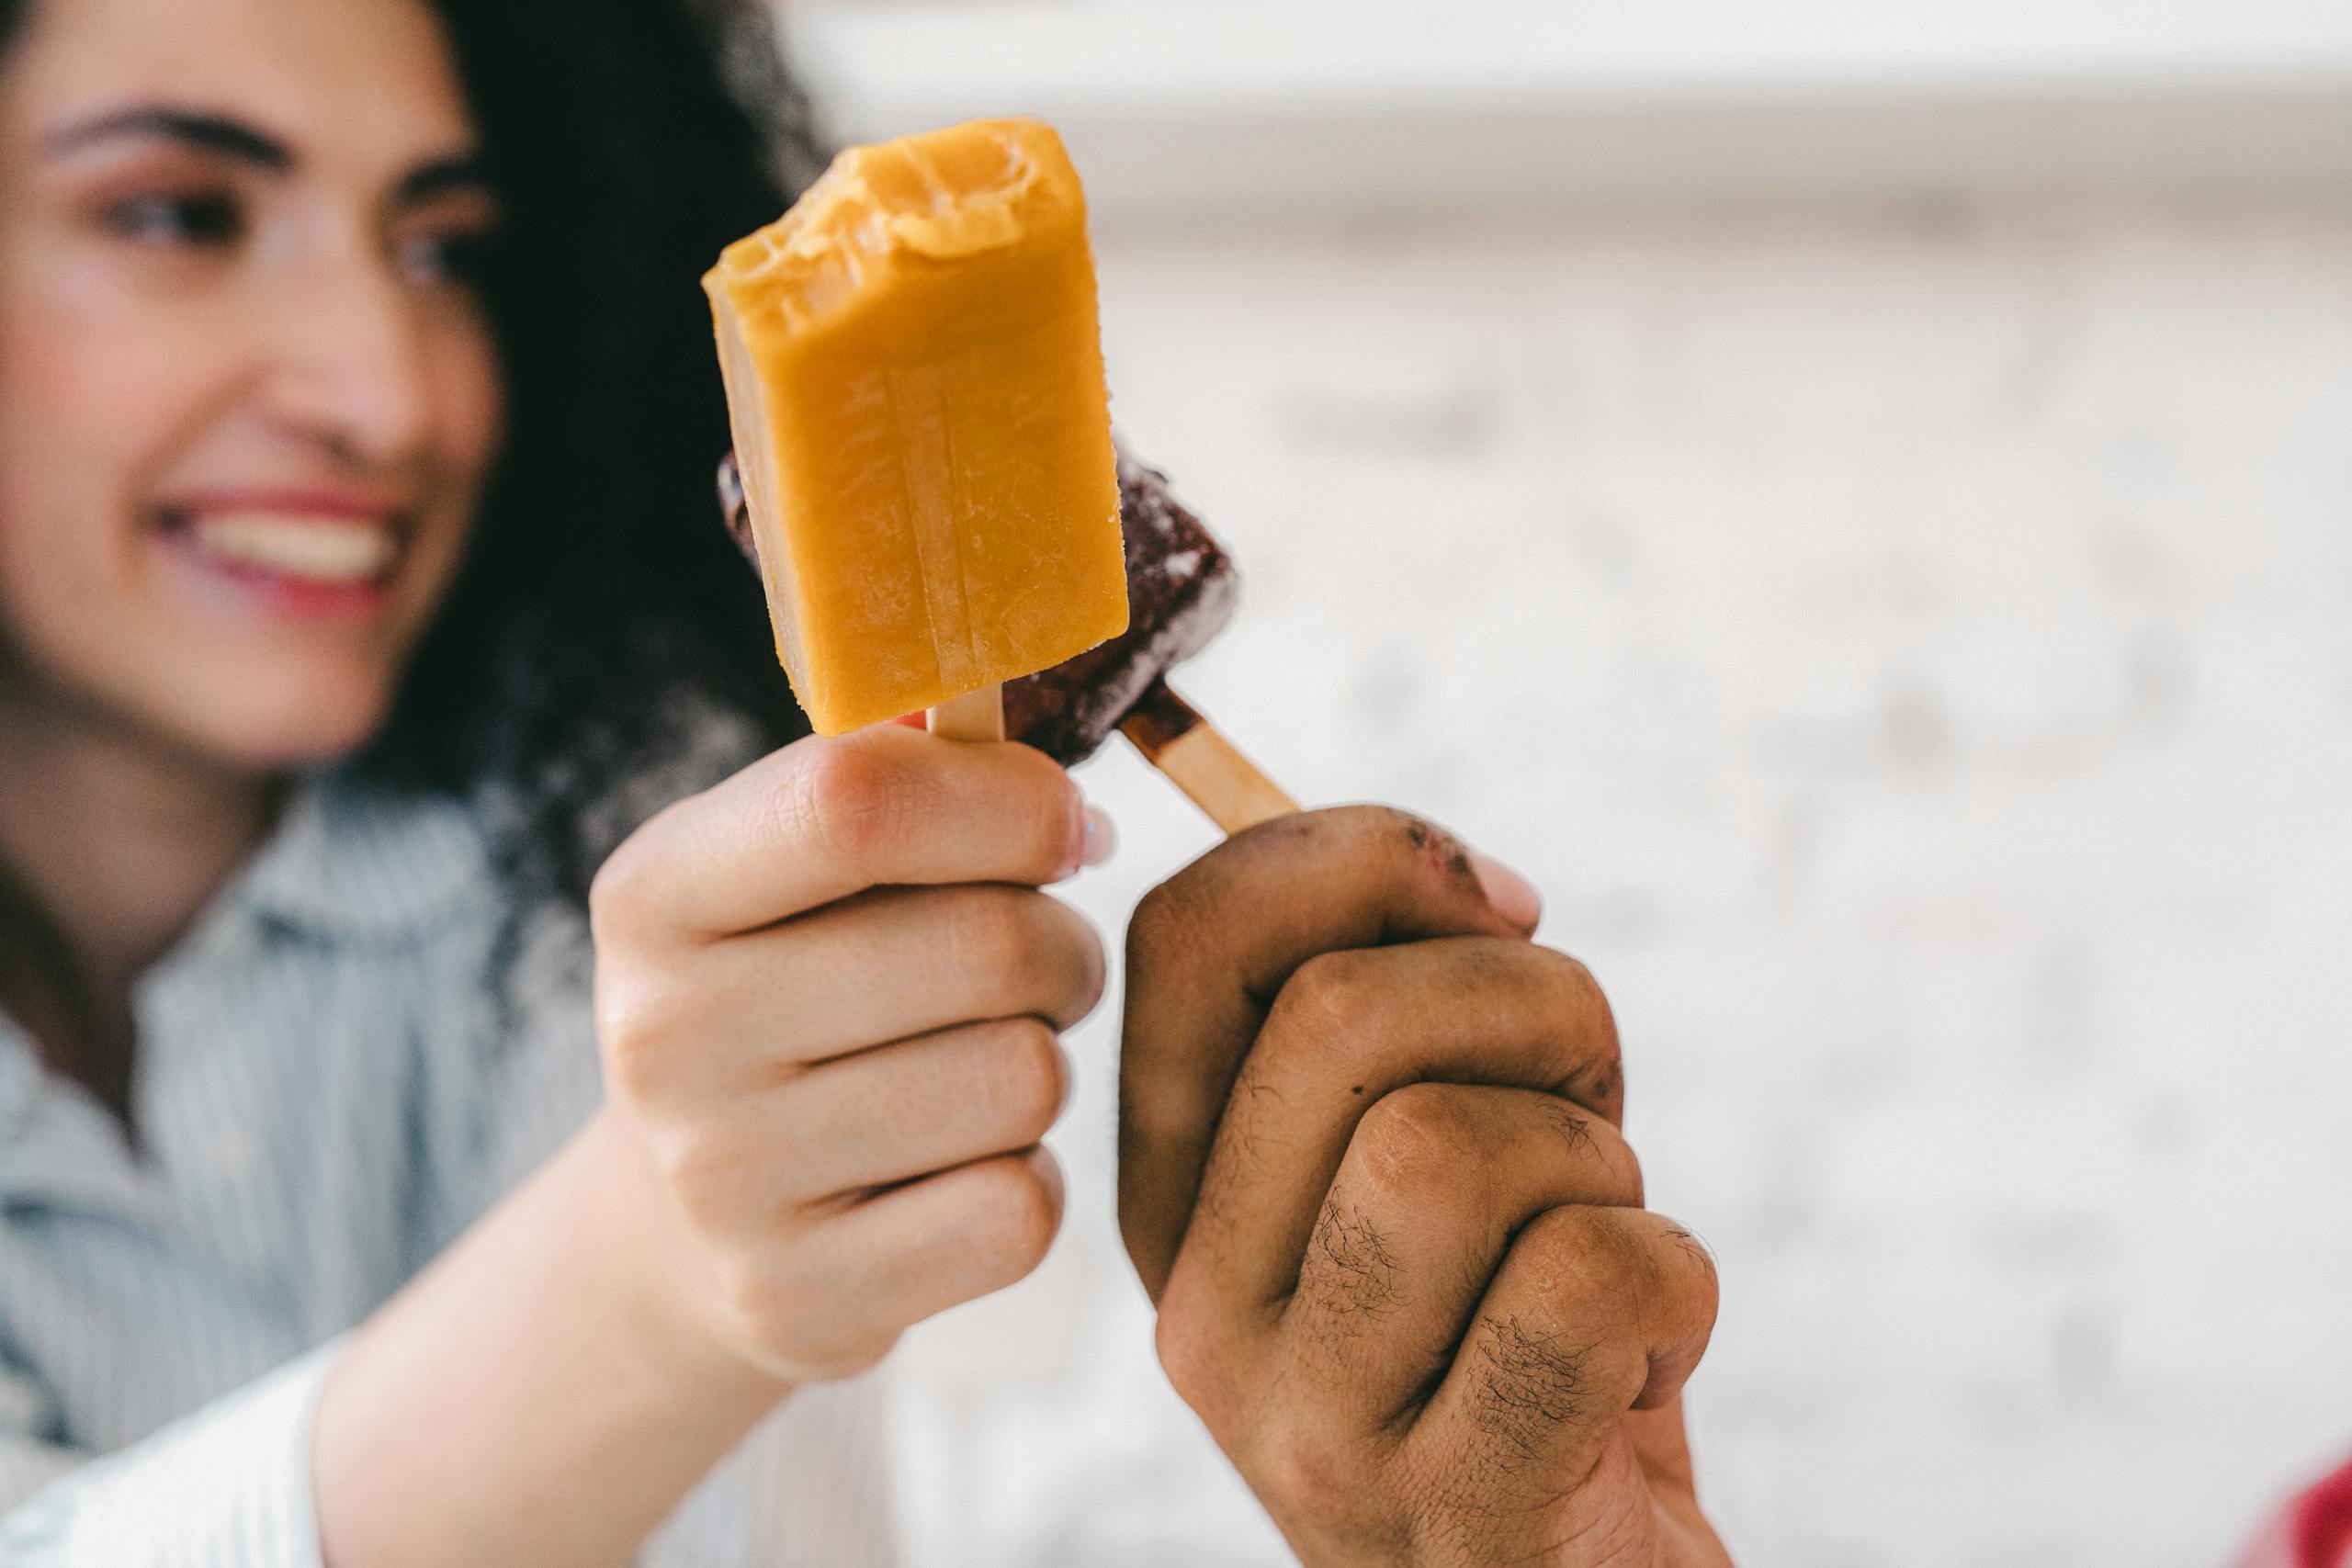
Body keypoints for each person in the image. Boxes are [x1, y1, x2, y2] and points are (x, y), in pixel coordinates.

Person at [0, 0, 1731, 1561]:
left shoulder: (626, 868)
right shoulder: (686, 1016)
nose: (387, 397)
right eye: (175, 216)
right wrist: (649, 1277)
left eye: (446, 246)